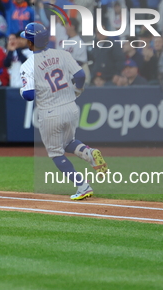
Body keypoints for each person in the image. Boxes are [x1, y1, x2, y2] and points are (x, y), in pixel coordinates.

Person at [19, 22, 108, 201]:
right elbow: (81, 76)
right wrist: (77, 90)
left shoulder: (28, 65)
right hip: (70, 107)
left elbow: (28, 95)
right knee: (68, 142)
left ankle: (82, 186)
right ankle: (90, 154)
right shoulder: (62, 54)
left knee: (55, 153)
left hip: (50, 111)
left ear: (30, 42)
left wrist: (22, 90)